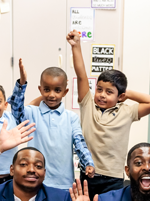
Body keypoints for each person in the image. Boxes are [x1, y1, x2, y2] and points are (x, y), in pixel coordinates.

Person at [68, 30, 150, 200]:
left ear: (120, 96)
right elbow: (81, 75)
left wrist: (125, 93)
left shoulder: (127, 111)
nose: (102, 95)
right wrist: (76, 46)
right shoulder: (88, 105)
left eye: (109, 92)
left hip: (114, 177)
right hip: (89, 174)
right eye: (99, 89)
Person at [7, 58, 95, 189]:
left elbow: (79, 143)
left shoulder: (71, 117)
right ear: (40, 89)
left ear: (65, 92)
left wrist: (88, 162)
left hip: (64, 183)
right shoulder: (32, 113)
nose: (51, 95)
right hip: (36, 180)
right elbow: (16, 108)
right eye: (47, 89)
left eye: (57, 90)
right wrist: (22, 84)